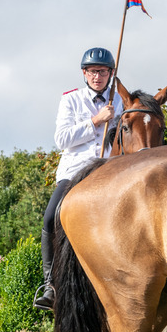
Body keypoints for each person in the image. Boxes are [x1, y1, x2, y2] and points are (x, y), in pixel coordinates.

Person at [33, 47, 123, 310]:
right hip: (75, 172)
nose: (98, 76)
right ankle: (50, 285)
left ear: (111, 73)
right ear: (85, 73)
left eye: (103, 71)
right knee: (51, 218)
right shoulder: (70, 100)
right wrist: (96, 120)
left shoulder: (120, 101)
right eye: (93, 71)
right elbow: (62, 139)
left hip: (109, 172)